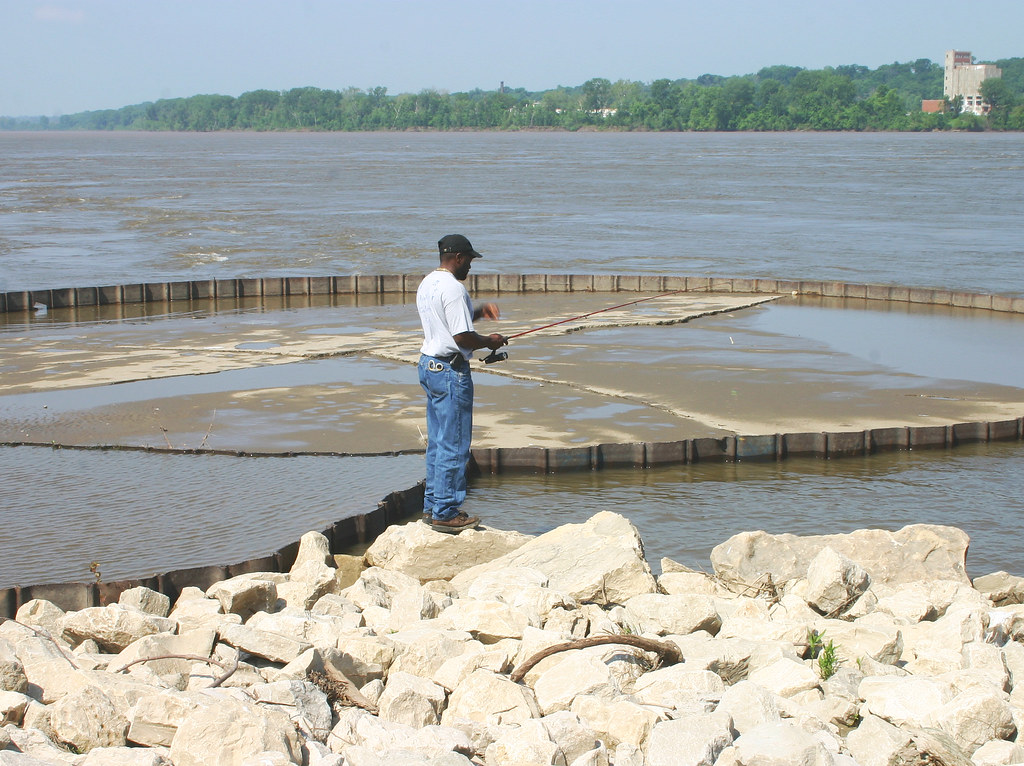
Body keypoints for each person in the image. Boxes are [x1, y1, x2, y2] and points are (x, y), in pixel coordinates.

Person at [416, 234, 508, 532]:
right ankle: (446, 512)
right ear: (457, 258)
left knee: (438, 442)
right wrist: (490, 341)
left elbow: (448, 321)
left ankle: (433, 505)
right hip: (450, 372)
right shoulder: (455, 289)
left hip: (428, 367)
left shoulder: (428, 283)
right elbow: (461, 338)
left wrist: (479, 313)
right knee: (455, 444)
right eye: (469, 260)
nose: (470, 266)